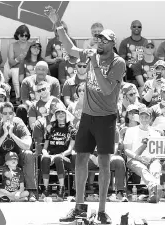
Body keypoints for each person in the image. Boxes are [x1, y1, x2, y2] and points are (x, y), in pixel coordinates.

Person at [46, 8, 125, 223]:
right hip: (87, 117)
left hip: (106, 118)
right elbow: (70, 48)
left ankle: (101, 210)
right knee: (80, 158)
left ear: (112, 43)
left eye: (104, 40)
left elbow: (107, 89)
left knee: (104, 163)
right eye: (97, 39)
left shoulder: (118, 62)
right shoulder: (91, 55)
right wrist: (57, 24)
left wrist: (96, 66)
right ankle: (79, 207)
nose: (99, 43)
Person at [0, 102, 37, 202]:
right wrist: (4, 135)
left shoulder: (19, 126)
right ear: (1, 115)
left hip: (17, 157)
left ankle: (31, 191)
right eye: (5, 113)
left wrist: (12, 134)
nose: (8, 116)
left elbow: (27, 145)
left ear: (14, 114)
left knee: (28, 154)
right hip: (1, 157)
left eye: (10, 113)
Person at [124, 107, 162, 203]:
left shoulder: (155, 133)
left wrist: (151, 158)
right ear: (139, 118)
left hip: (151, 159)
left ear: (150, 118)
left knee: (156, 169)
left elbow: (158, 152)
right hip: (134, 159)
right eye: (142, 117)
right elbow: (127, 150)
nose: (144, 119)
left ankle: (154, 194)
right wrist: (138, 158)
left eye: (147, 117)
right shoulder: (130, 131)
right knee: (143, 169)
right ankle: (155, 187)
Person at [41, 107, 76, 201]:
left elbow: (70, 149)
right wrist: (45, 153)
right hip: (50, 158)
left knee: (57, 159)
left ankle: (61, 189)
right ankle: (45, 189)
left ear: (66, 115)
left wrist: (59, 155)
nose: (60, 114)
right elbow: (45, 148)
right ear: (55, 116)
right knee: (45, 159)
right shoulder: (50, 129)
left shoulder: (72, 130)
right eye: (58, 112)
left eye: (63, 112)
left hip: (65, 158)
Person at [8, 25, 32, 103]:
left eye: (26, 35)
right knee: (16, 72)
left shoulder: (32, 45)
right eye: (22, 35)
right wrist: (18, 59)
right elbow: (11, 63)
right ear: (17, 35)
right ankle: (18, 97)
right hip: (15, 68)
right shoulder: (12, 45)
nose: (24, 37)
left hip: (28, 67)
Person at [119, 20, 147, 84]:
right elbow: (121, 59)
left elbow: (151, 57)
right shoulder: (124, 42)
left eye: (139, 27)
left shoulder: (146, 42)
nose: (136, 28)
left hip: (144, 68)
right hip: (130, 69)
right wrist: (130, 65)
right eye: (134, 26)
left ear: (141, 28)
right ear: (131, 28)